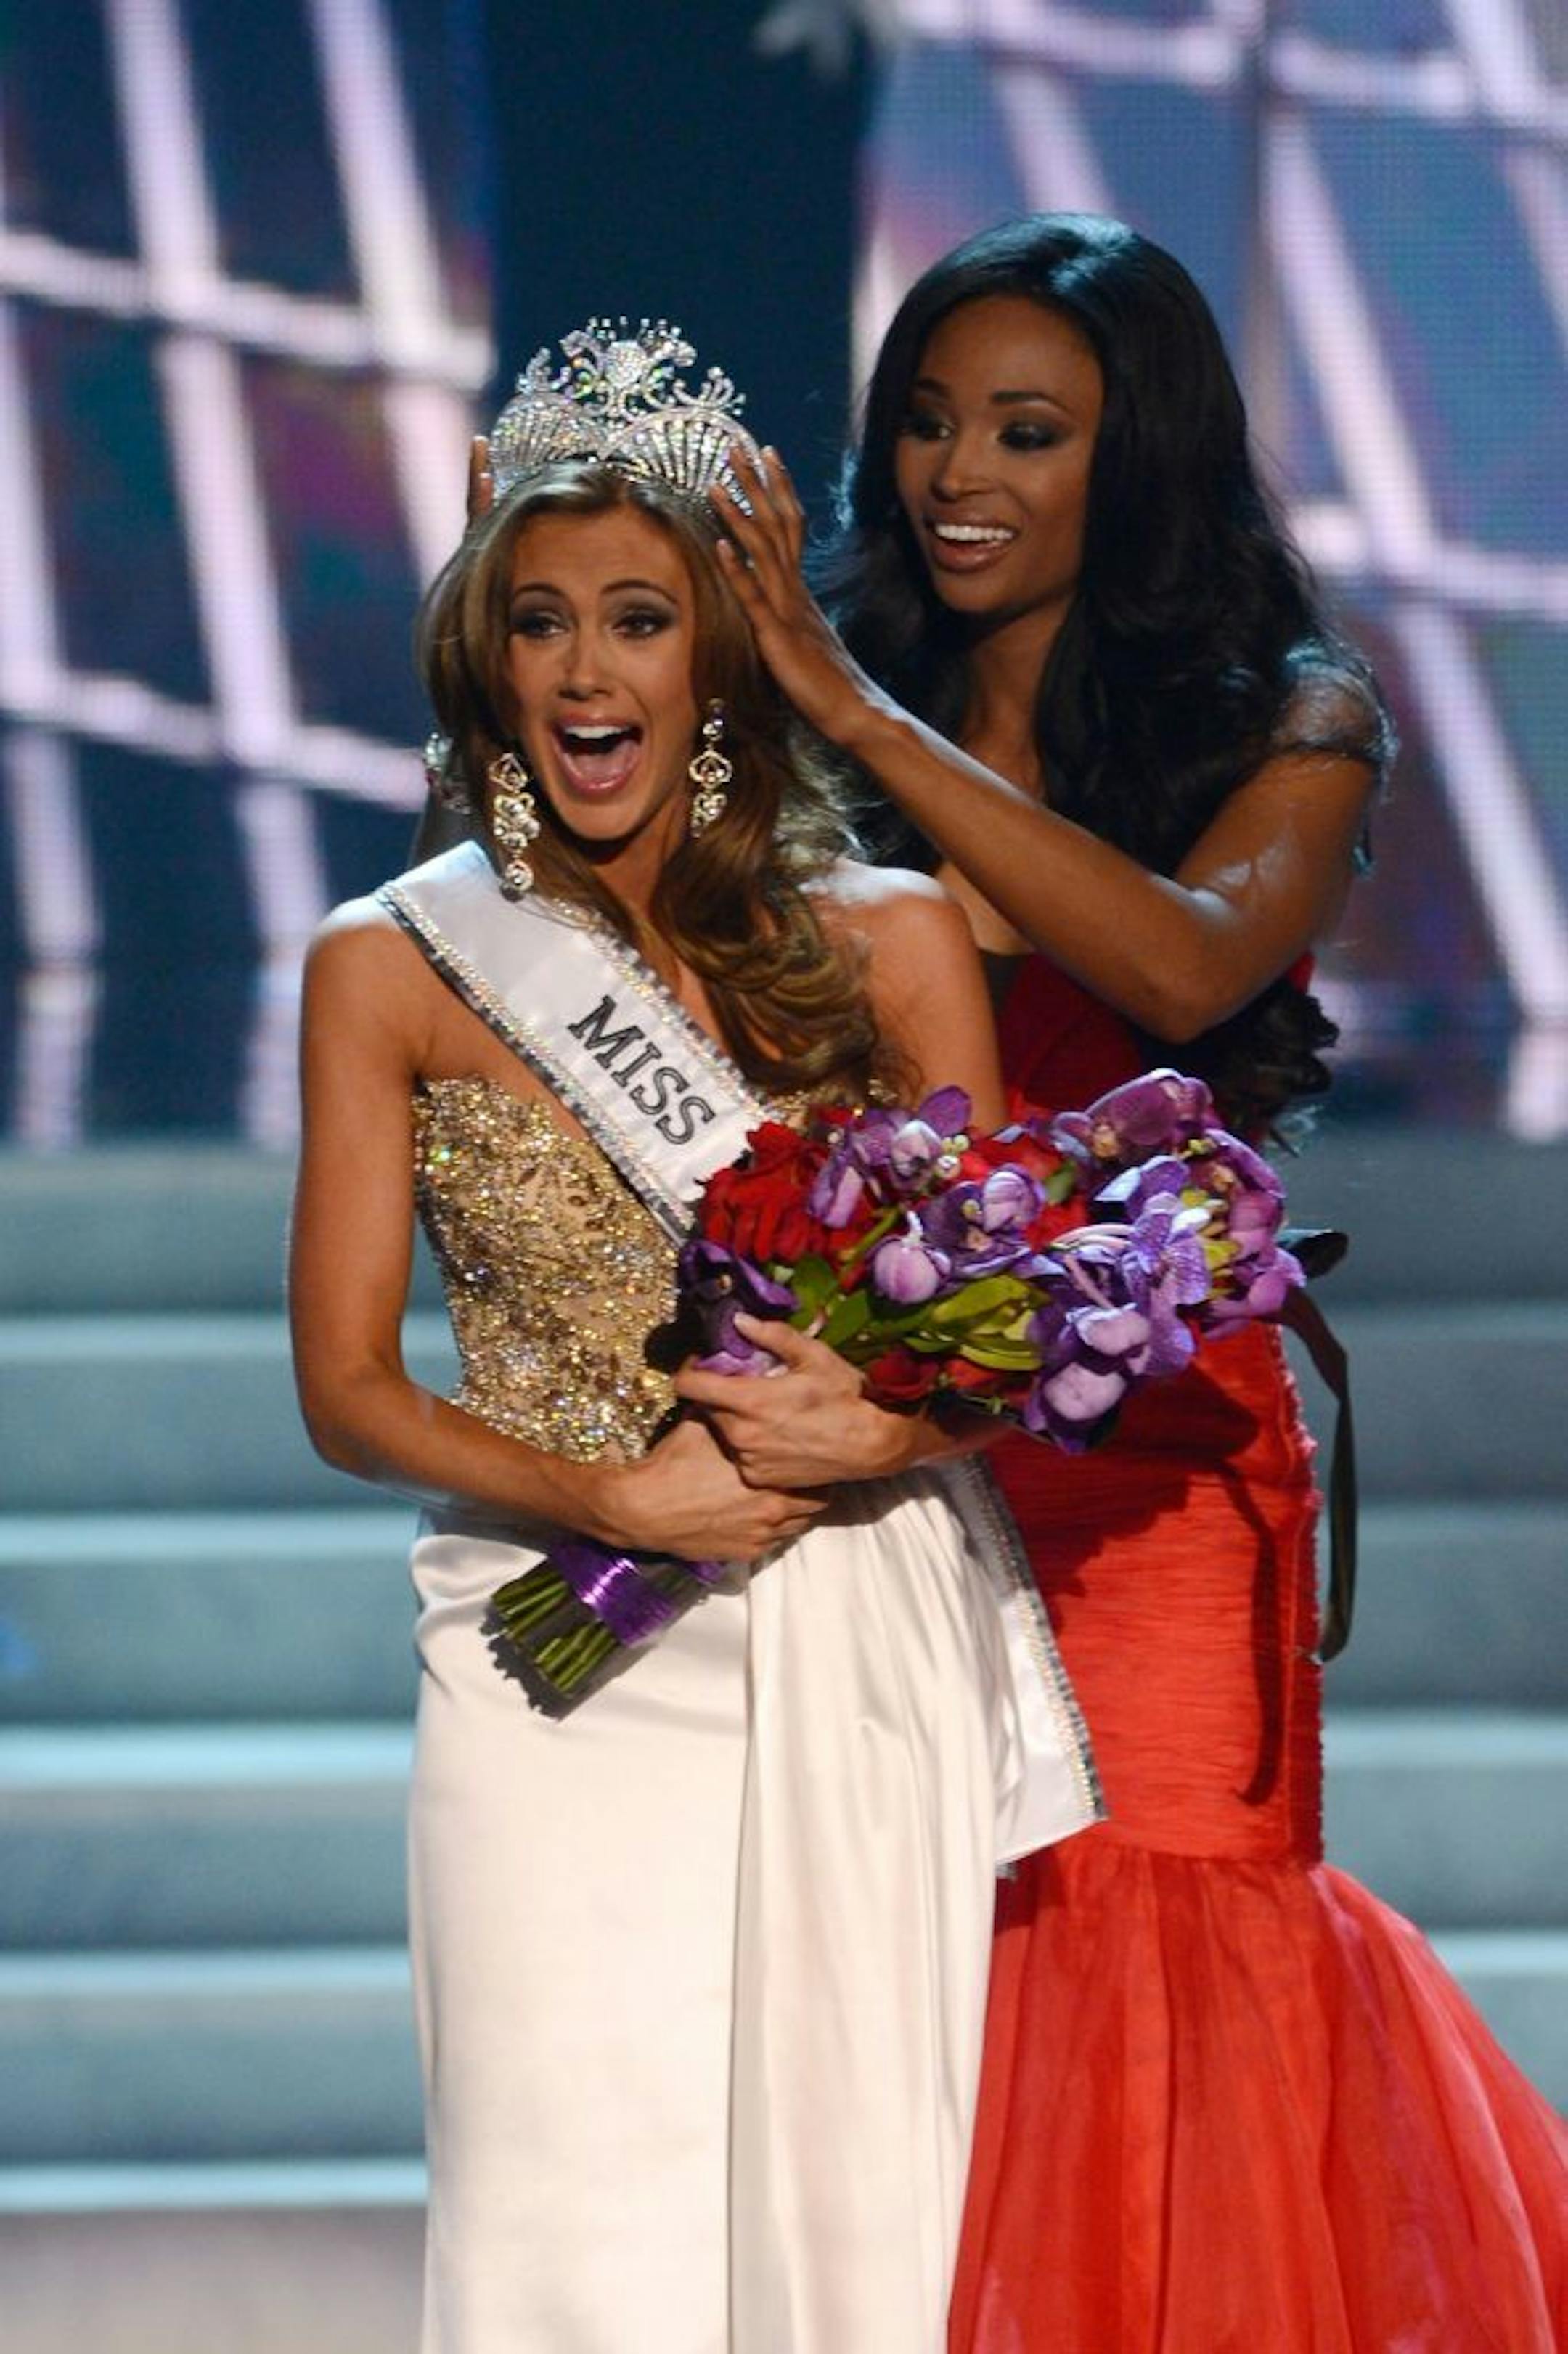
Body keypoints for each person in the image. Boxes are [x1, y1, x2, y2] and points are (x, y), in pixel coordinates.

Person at [700, 217, 1568, 2350]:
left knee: (1163, 1966)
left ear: (1142, 453)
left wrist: (852, 712)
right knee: (924, 1981)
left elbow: (1180, 963)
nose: (954, 473)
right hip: (883, 1455)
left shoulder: (1297, 715)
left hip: (1161, 1461)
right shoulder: (805, 718)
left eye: (1028, 429)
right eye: (924, 421)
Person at [287, 319, 1097, 2354]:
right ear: (487, 661)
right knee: (564, 2215)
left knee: (851, 2226)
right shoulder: (389, 966)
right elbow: (350, 1387)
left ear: (713, 660)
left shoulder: (900, 938)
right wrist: (604, 1487)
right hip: (551, 1648)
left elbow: (987, 1341)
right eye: (540, 622)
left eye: (637, 620)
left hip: (850, 1635)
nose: (583, 673)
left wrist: (877, 1432)